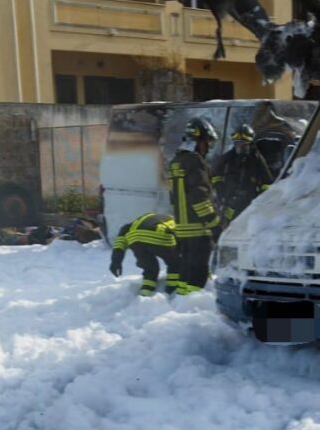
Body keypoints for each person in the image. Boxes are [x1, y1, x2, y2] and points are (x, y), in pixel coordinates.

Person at [169, 117, 221, 294]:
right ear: (199, 141)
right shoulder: (195, 161)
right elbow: (199, 197)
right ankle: (190, 309)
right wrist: (214, 225)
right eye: (207, 143)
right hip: (198, 230)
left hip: (182, 229)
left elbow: (174, 196)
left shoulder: (177, 161)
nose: (208, 147)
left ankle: (182, 303)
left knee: (186, 272)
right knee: (197, 276)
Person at [212, 124, 273, 227]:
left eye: (244, 144)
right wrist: (221, 191)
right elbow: (215, 175)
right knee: (228, 227)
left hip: (249, 204)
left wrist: (260, 200)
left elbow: (267, 182)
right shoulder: (227, 158)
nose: (240, 148)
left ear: (250, 144)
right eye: (238, 144)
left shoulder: (257, 159)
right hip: (229, 203)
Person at [109, 213, 180, 296]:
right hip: (157, 234)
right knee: (174, 263)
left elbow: (120, 243)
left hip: (134, 239)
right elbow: (180, 235)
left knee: (150, 268)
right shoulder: (173, 219)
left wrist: (116, 261)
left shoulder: (134, 223)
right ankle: (172, 289)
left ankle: (145, 292)